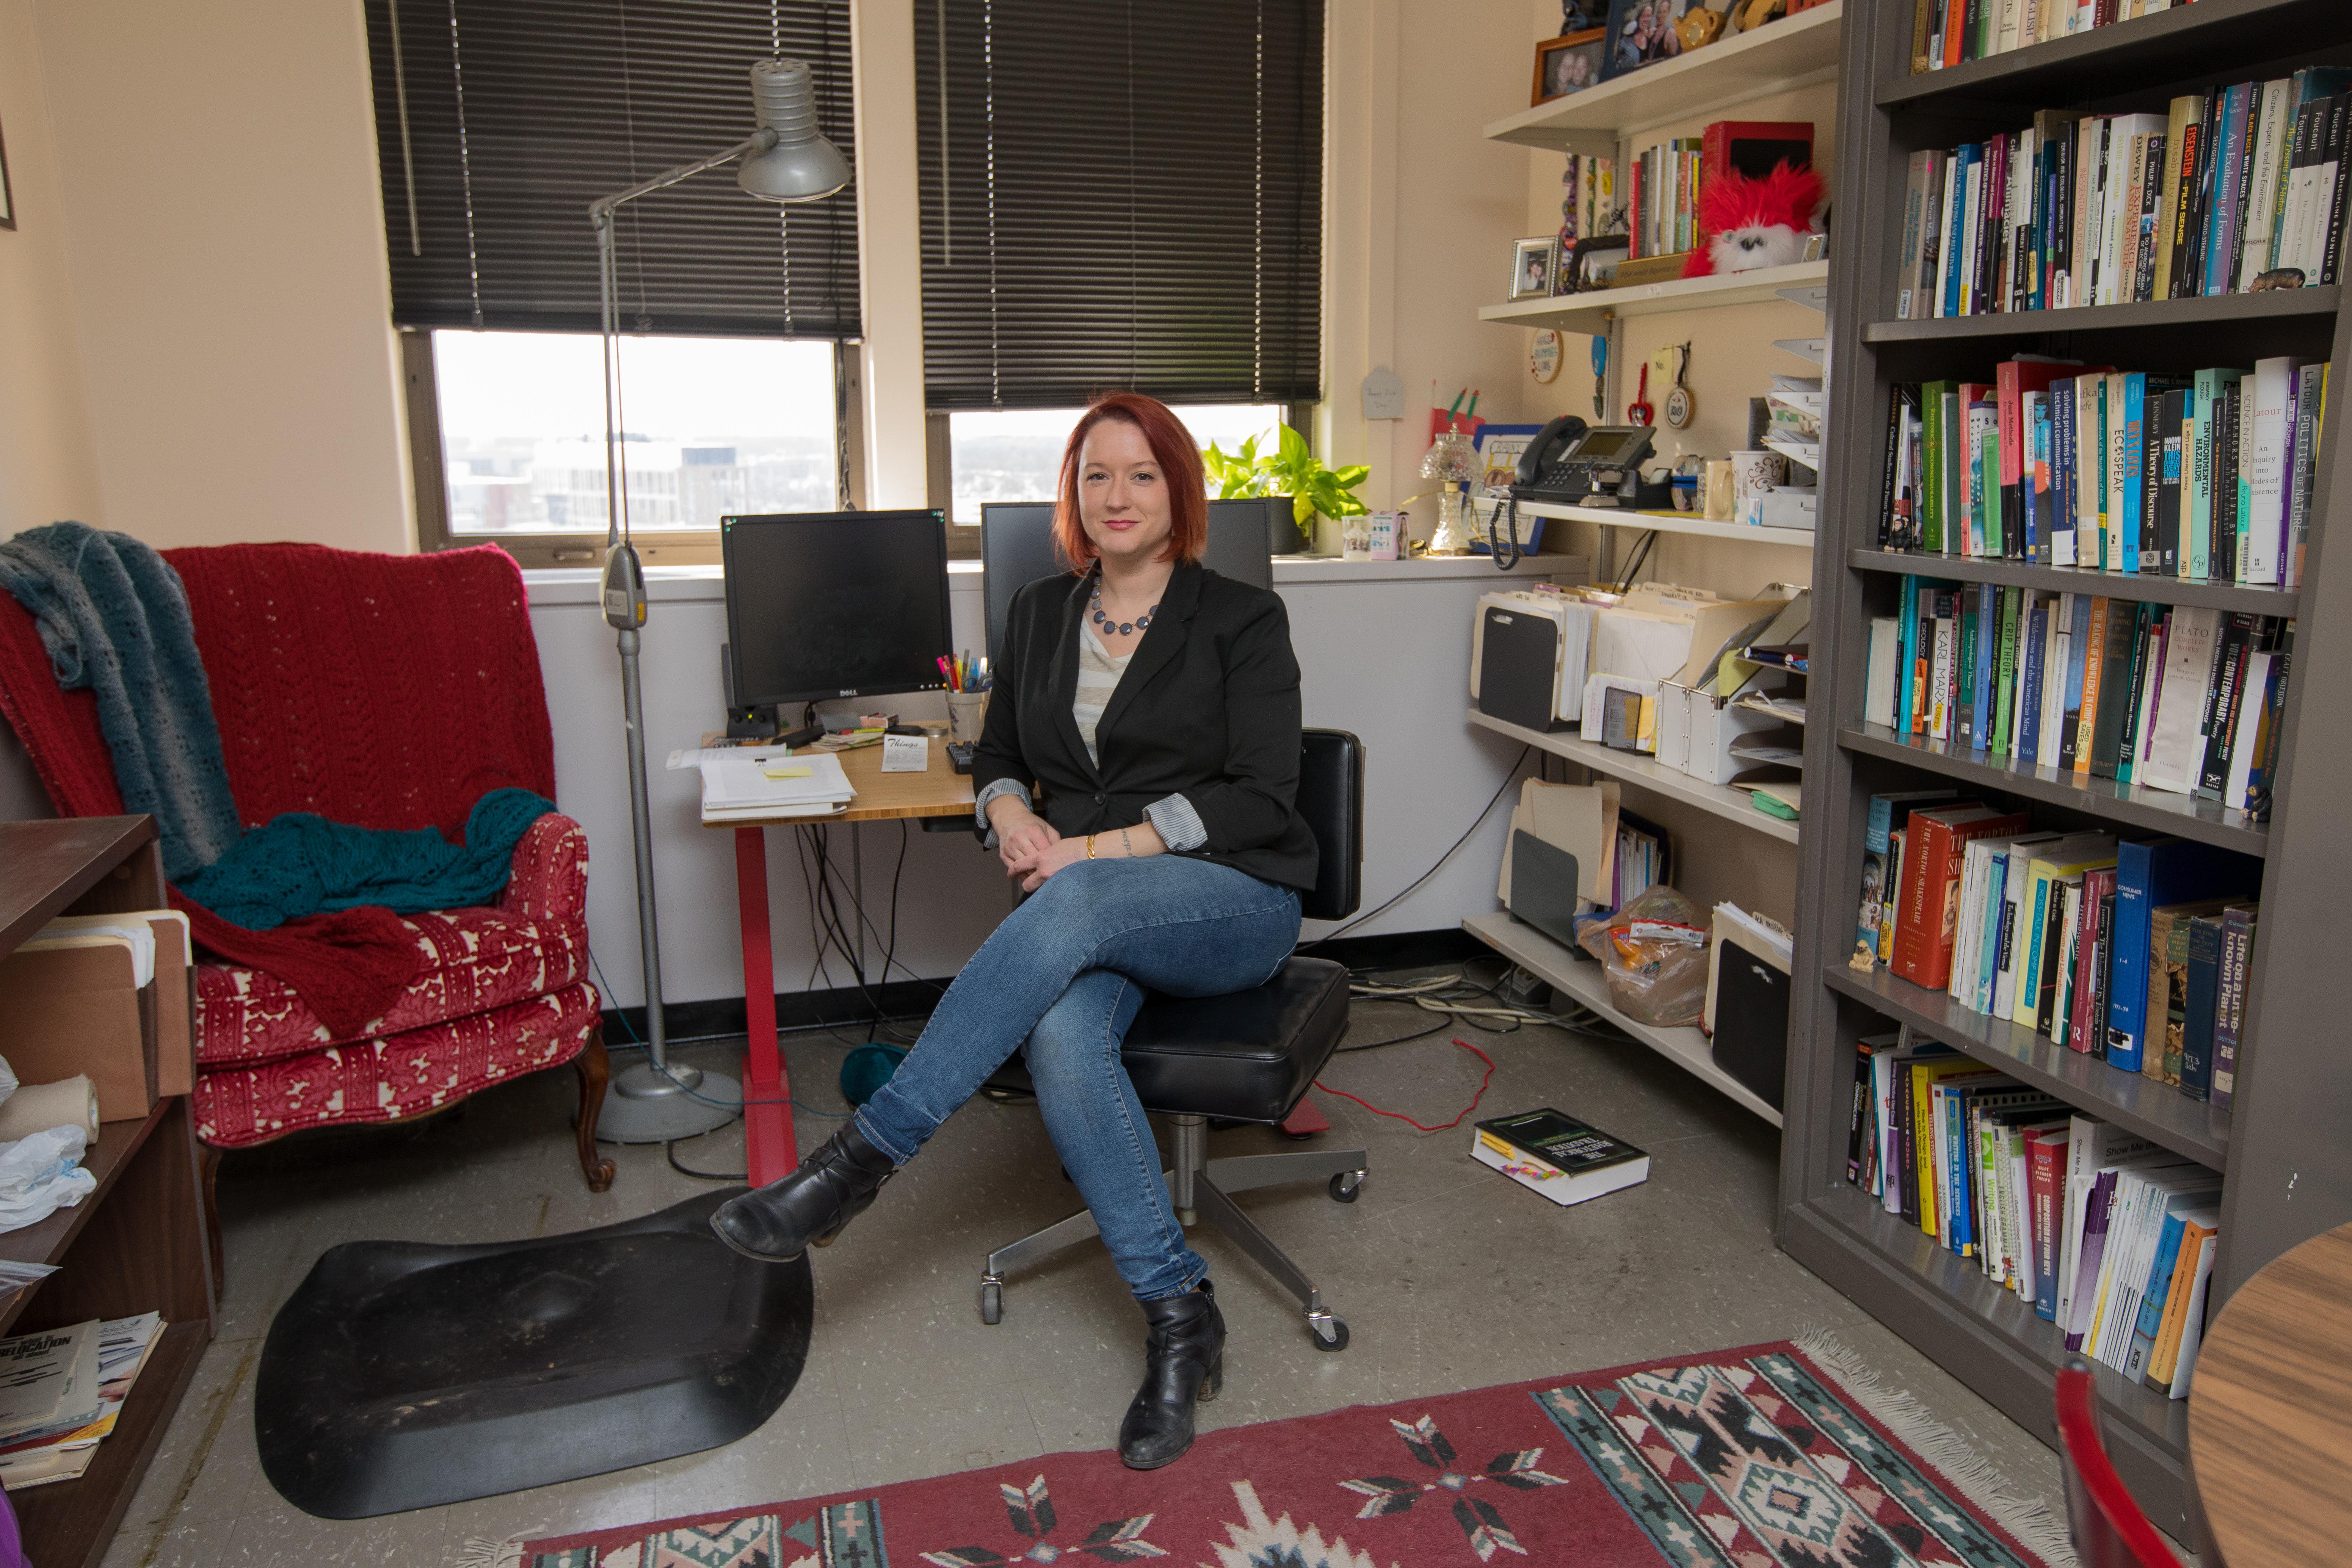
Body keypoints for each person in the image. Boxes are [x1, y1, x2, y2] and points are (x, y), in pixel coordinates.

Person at [710, 392, 1317, 1471]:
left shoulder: (1238, 618)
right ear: (1072, 495)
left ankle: (858, 1162)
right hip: (1086, 908)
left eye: (1139, 473)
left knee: (1070, 901)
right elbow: (995, 757)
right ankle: (1181, 1316)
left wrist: (1090, 853)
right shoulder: (1039, 612)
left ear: (1178, 489)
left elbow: (1264, 796)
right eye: (1095, 475)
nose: (1116, 495)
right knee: (1059, 1039)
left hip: (1228, 897)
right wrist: (1010, 813)